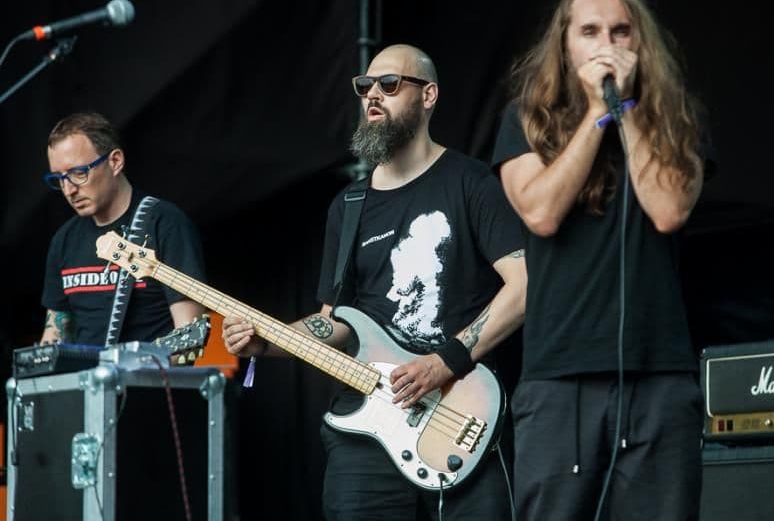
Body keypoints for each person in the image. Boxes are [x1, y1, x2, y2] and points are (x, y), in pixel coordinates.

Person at [222, 44, 527, 520]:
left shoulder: (472, 182)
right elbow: (335, 323)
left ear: (428, 96)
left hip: (460, 412)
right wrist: (268, 341)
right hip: (368, 430)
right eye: (365, 86)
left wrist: (443, 363)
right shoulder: (348, 207)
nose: (373, 96)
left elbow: (524, 285)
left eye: (389, 84)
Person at [492, 0, 710, 520]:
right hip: (558, 379)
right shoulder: (525, 119)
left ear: (640, 43)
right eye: (590, 32)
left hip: (657, 375)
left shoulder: (676, 119)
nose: (607, 44)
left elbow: (668, 210)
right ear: (565, 46)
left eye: (620, 31)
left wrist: (627, 110)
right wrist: (597, 113)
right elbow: (540, 213)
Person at [40, 112, 207, 346]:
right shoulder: (64, 239)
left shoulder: (165, 224)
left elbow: (189, 335)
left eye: (79, 173)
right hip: (85, 371)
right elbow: (55, 334)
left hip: (151, 370)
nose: (69, 190)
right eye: (59, 178)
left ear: (115, 161)